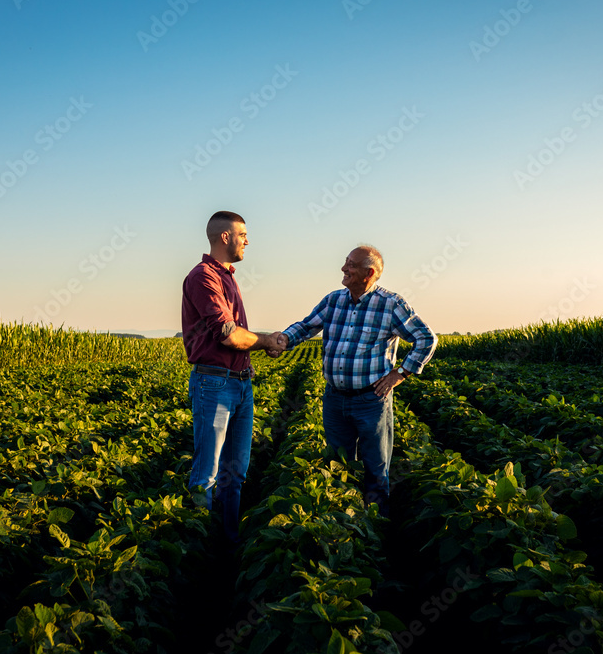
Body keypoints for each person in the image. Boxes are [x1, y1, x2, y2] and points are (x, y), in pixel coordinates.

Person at [275, 245, 436, 516]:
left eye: (350, 264)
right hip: (335, 398)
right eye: (345, 262)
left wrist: (401, 373)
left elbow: (426, 338)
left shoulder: (391, 304)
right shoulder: (333, 300)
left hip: (370, 400)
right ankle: (341, 519)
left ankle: (374, 529)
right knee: (338, 464)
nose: (343, 268)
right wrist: (280, 340)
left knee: (375, 468)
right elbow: (306, 326)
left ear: (368, 272)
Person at [181, 211, 282, 546]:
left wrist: (247, 361)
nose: (247, 241)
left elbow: (235, 336)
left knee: (235, 473)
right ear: (225, 237)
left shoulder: (227, 277)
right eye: (244, 234)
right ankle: (200, 547)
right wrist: (267, 341)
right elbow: (226, 333)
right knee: (207, 473)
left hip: (238, 382)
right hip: (215, 385)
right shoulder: (202, 277)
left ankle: (227, 544)